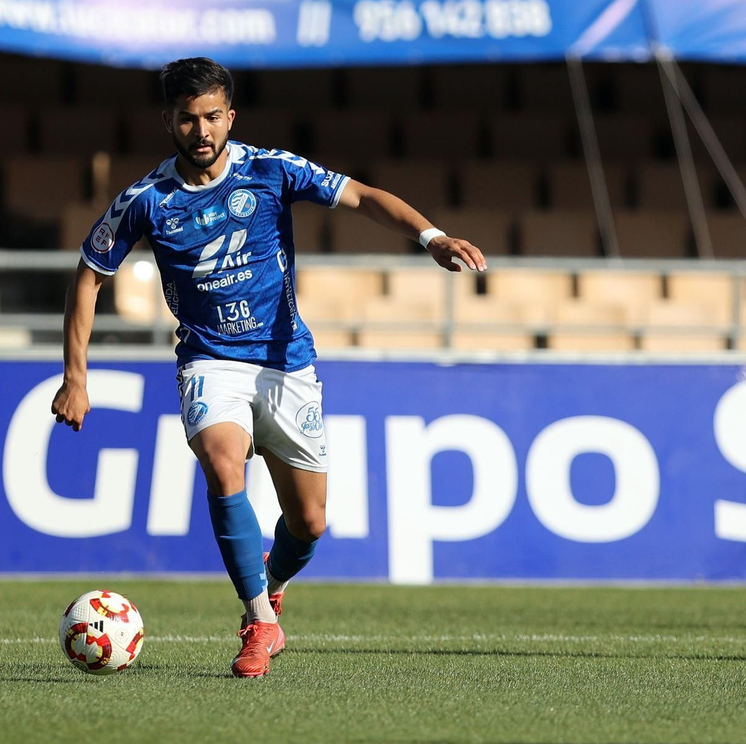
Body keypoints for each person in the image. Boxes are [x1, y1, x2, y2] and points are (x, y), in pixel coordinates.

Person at [51, 57, 486, 678]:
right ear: (167, 121)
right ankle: (259, 620)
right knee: (223, 464)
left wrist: (430, 236)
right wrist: (76, 375)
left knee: (308, 523)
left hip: (286, 364)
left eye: (211, 118)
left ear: (230, 115)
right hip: (209, 361)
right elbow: (91, 274)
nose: (201, 132)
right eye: (186, 119)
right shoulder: (145, 201)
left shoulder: (272, 170)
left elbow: (360, 195)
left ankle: (272, 585)